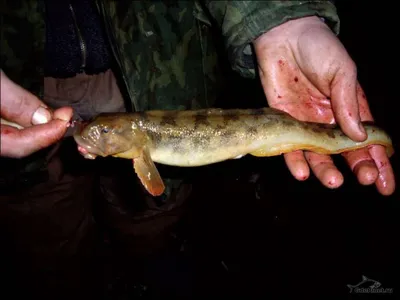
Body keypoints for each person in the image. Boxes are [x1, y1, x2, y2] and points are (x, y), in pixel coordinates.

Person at [0, 0, 395, 297]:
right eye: (97, 133)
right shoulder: (133, 141)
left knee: (154, 212)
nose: (93, 137)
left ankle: (151, 259)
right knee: (43, 216)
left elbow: (153, 188)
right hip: (29, 82)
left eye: (101, 134)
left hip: (156, 71)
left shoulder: (138, 139)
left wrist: (285, 18)